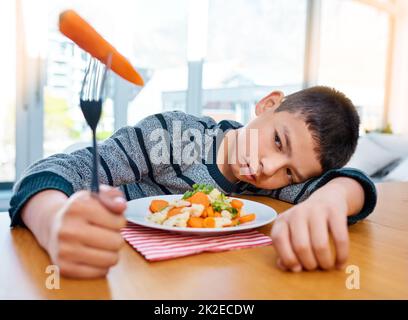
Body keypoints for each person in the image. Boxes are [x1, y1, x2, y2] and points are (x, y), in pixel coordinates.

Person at [9, 86, 376, 278]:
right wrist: (53, 222)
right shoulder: (173, 136)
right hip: (105, 258)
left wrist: (331, 199)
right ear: (267, 104)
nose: (268, 168)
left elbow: (350, 184)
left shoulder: (264, 184)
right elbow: (51, 171)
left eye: (290, 173)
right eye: (279, 141)